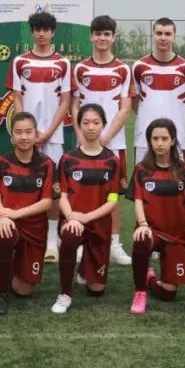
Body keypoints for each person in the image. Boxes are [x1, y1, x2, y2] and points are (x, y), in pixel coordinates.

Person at [7, 11, 73, 260]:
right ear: (32, 32)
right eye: (37, 29)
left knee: (54, 186)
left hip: (52, 136)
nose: (41, 34)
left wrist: (48, 133)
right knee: (24, 182)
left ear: (52, 32)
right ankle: (24, 231)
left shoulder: (63, 63)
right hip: (27, 135)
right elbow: (17, 97)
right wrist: (26, 131)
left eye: (46, 29)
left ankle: (52, 239)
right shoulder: (20, 62)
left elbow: (65, 101)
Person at [71, 14, 134, 266]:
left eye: (107, 34)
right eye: (98, 33)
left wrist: (103, 138)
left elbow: (125, 108)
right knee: (81, 190)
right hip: (83, 142)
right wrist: (81, 134)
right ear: (91, 36)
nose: (102, 38)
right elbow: (74, 104)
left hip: (113, 144)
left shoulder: (123, 69)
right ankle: (80, 241)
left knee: (112, 194)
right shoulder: (80, 68)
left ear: (113, 37)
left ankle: (114, 244)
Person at [53, 103, 122, 314]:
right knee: (71, 235)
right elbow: (62, 196)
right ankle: (65, 294)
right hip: (73, 220)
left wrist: (87, 216)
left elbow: (112, 200)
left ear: (103, 125)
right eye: (86, 123)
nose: (91, 127)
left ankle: (85, 268)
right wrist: (72, 217)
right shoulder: (68, 159)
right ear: (79, 125)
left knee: (97, 290)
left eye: (96, 122)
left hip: (99, 223)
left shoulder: (112, 161)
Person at [128, 118, 185, 315]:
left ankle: (150, 279)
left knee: (169, 294)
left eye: (164, 138)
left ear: (173, 141)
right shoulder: (142, 169)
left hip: (176, 235)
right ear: (150, 141)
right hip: (152, 230)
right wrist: (142, 224)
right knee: (141, 239)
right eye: (155, 139)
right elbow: (138, 200)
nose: (159, 143)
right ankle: (140, 293)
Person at [0, 112, 56, 315]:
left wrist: (14, 214)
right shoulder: (2, 162)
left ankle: (11, 270)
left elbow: (46, 202)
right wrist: (3, 216)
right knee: (5, 234)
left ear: (36, 135)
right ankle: (0, 294)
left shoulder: (47, 164)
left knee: (23, 290)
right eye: (18, 132)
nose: (24, 137)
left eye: (28, 132)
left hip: (34, 227)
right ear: (12, 136)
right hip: (6, 221)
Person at [132, 17, 185, 163]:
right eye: (159, 33)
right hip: (144, 137)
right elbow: (134, 100)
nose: (163, 38)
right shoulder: (139, 66)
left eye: (168, 34)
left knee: (177, 176)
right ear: (153, 35)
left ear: (174, 37)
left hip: (176, 136)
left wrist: (177, 115)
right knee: (144, 176)